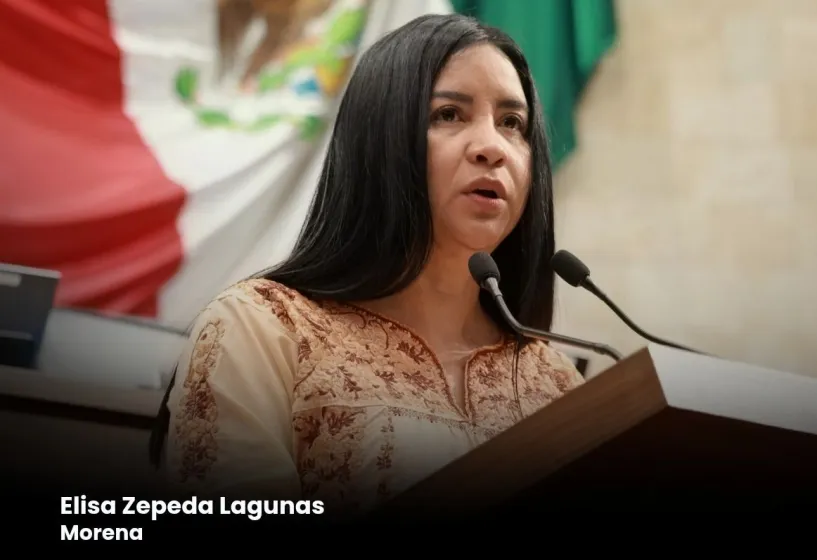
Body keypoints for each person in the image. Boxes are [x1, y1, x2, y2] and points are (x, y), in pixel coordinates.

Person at [151, 13, 584, 518]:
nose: (492, 146)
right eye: (448, 114)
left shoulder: (554, 381)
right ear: (378, 140)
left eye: (513, 123)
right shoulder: (263, 330)